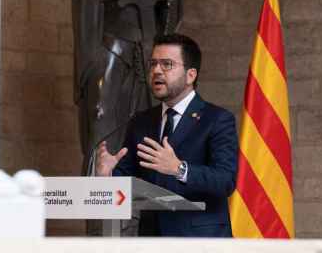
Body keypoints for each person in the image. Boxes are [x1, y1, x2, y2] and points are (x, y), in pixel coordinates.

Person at [69, 0, 183, 174]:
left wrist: (163, 46)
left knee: (148, 128)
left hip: (147, 44)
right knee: (101, 121)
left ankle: (138, 217)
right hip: (107, 41)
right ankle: (100, 213)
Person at [96, 34, 238, 237]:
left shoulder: (217, 119)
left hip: (201, 242)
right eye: (153, 64)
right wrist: (108, 175)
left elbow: (225, 181)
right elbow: (130, 181)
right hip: (152, 241)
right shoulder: (141, 122)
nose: (156, 71)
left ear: (191, 75)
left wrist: (179, 169)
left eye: (167, 64)